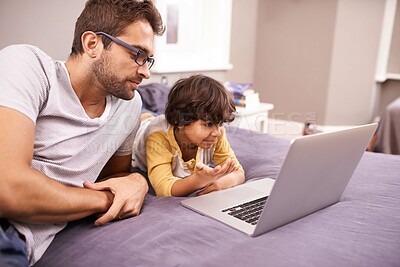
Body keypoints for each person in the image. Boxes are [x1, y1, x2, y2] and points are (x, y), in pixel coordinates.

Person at [0, 0, 164, 265]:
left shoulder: (129, 107)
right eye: (138, 54)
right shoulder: (29, 67)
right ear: (92, 44)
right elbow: (8, 189)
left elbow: (115, 177)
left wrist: (138, 182)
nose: (145, 71)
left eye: (149, 60)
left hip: (19, 242)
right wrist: (103, 200)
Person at [132, 74, 246, 197]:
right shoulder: (158, 137)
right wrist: (197, 181)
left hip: (163, 121)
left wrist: (221, 183)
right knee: (135, 104)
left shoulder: (217, 133)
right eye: (208, 124)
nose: (217, 132)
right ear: (180, 121)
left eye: (221, 123)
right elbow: (163, 188)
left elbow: (238, 173)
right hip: (142, 125)